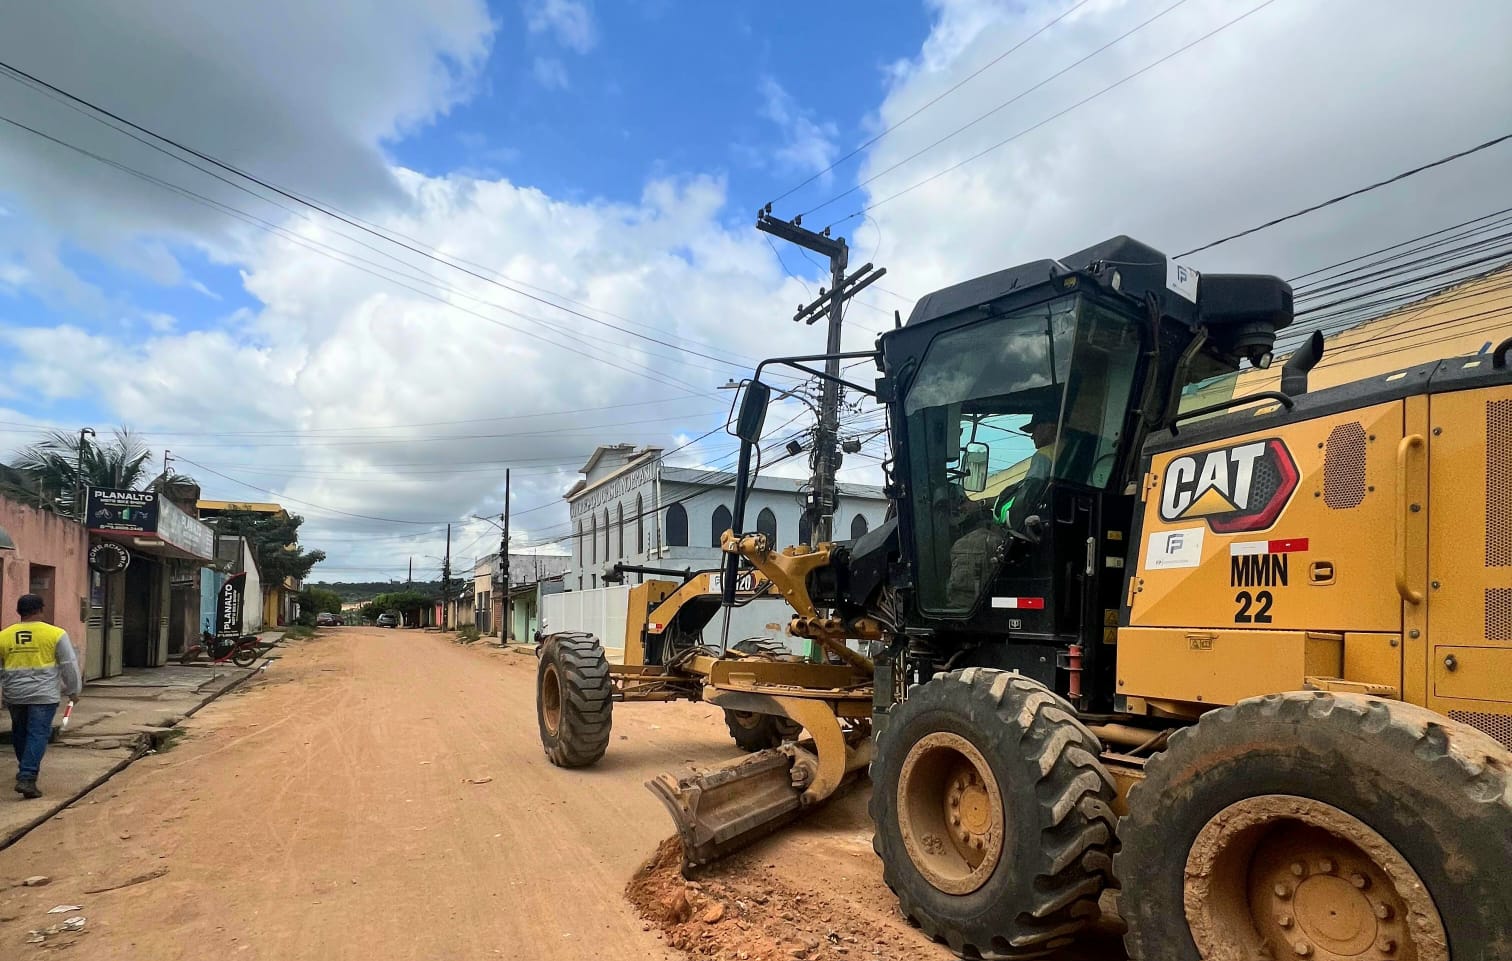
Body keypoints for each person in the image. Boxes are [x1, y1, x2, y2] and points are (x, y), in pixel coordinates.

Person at [0, 594, 83, 799]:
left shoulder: (4, 635)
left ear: (19, 612)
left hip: (15, 694)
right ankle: (27, 776)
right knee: (38, 734)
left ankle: (26, 771)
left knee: (20, 733)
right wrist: (74, 690)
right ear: (41, 610)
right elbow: (68, 665)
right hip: (43, 695)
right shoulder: (55, 634)